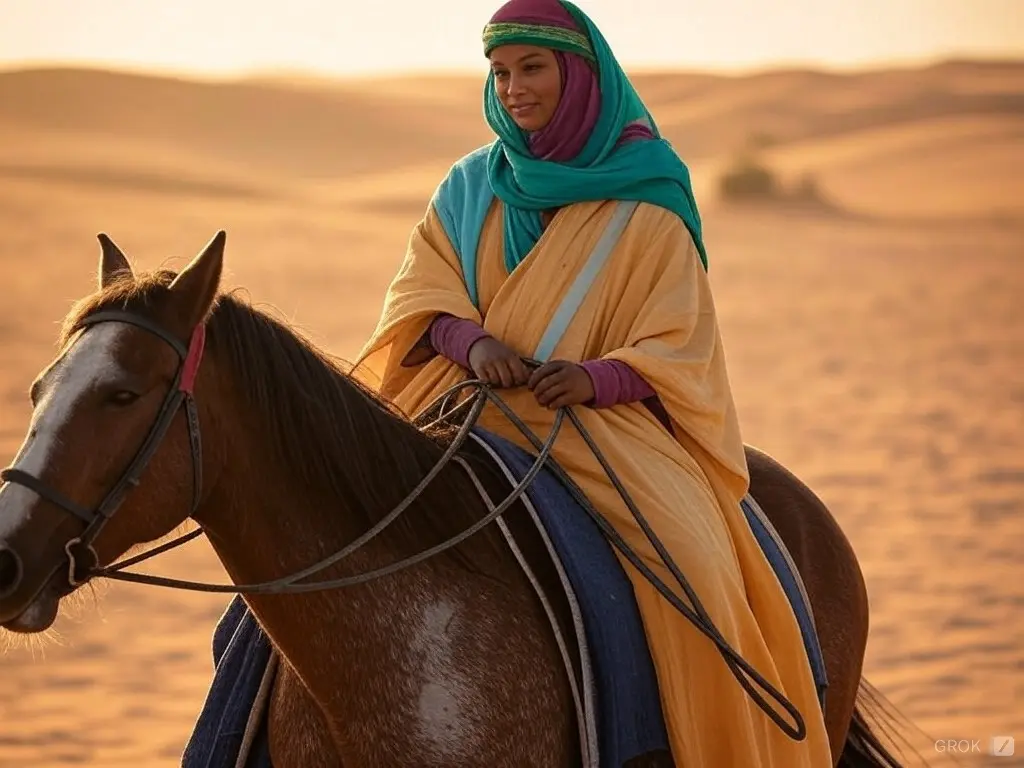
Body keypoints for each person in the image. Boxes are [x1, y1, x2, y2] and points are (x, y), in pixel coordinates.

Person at [353, 0, 832, 764]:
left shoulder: (648, 193)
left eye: (531, 68)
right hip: (459, 410)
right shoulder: (471, 184)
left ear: (581, 73)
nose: (512, 88)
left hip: (598, 426)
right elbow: (421, 293)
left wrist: (597, 378)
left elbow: (681, 339)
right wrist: (469, 343)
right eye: (500, 72)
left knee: (696, 567)